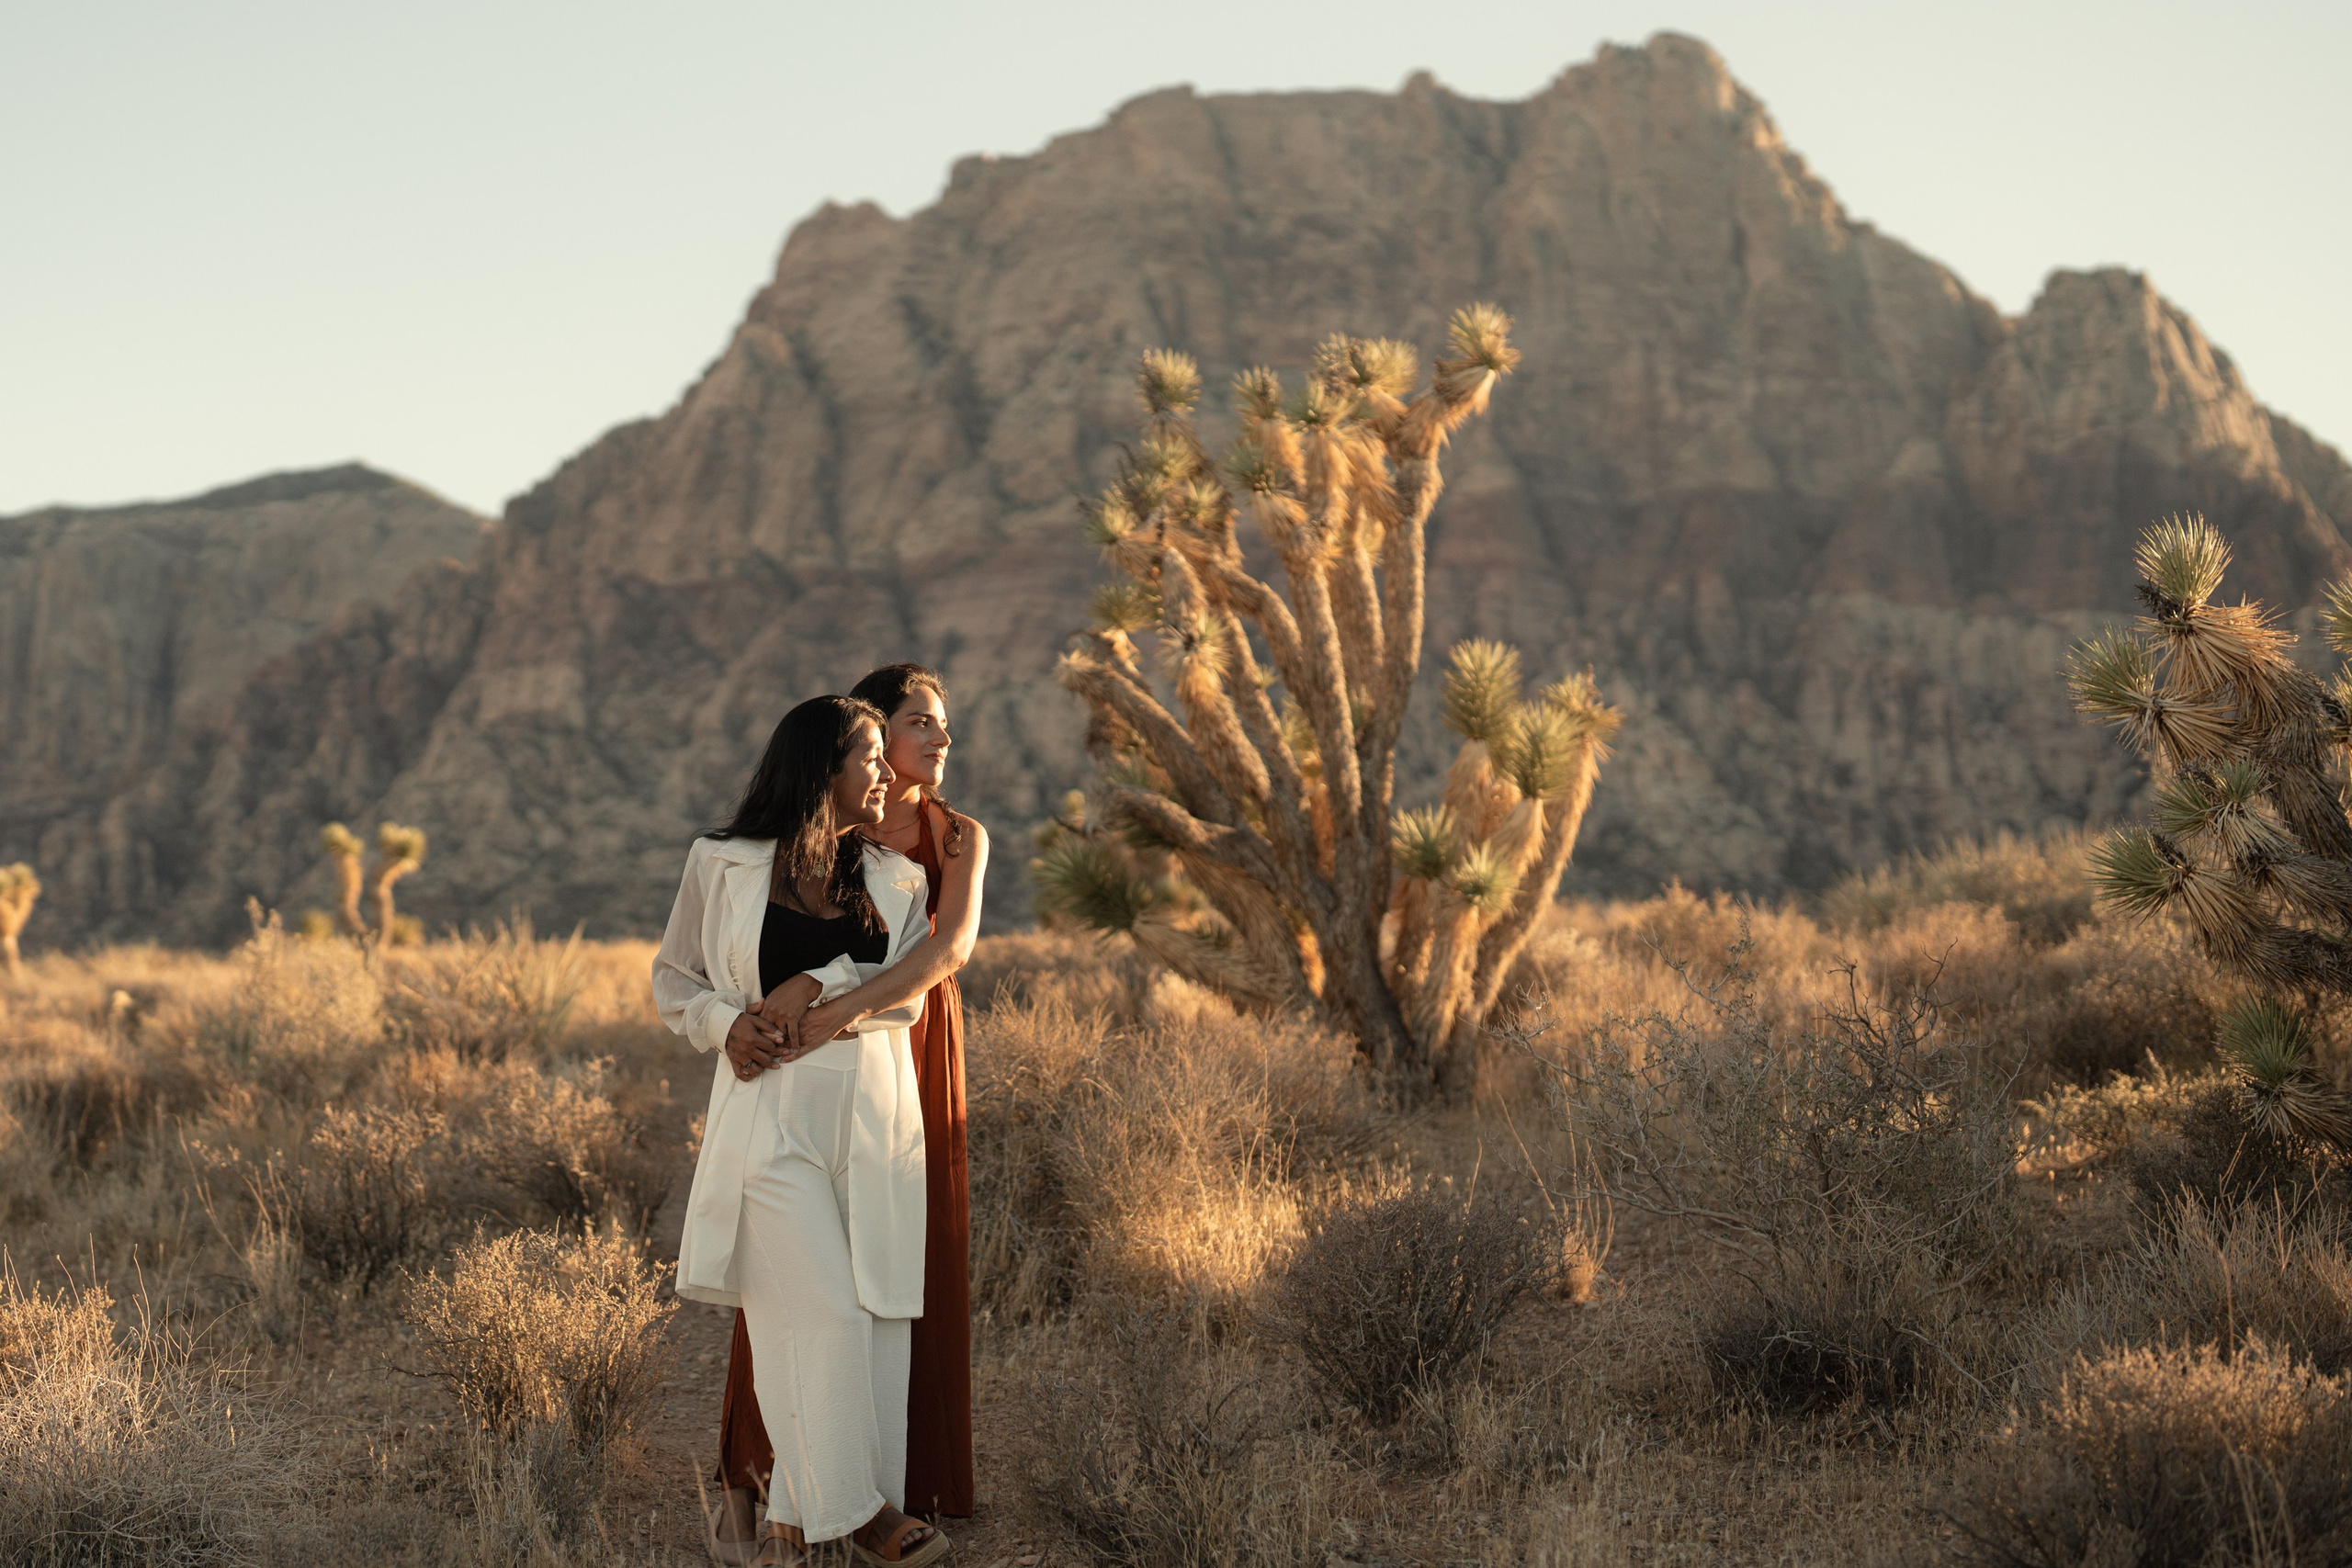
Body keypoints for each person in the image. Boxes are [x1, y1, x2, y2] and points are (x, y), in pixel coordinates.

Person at [653, 694, 953, 1568]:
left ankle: (796, 1508)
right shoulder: (723, 862)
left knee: (844, 1316)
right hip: (767, 1116)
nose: (886, 772)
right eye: (869, 757)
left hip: (867, 1114)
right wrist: (724, 1025)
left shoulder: (899, 880)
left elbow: (905, 991)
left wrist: (819, 980)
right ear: (822, 767)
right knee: (823, 1307)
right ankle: (860, 1512)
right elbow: (674, 977)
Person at [710, 665, 989, 1551]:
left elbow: (945, 953)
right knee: (800, 1289)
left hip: (906, 1053)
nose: (938, 739)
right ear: (864, 740)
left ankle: (847, 1494)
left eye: (942, 725)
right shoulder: (806, 844)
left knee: (894, 1278)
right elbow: (702, 971)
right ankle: (764, 1485)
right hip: (795, 1075)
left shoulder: (948, 841)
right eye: (918, 724)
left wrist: (827, 998)